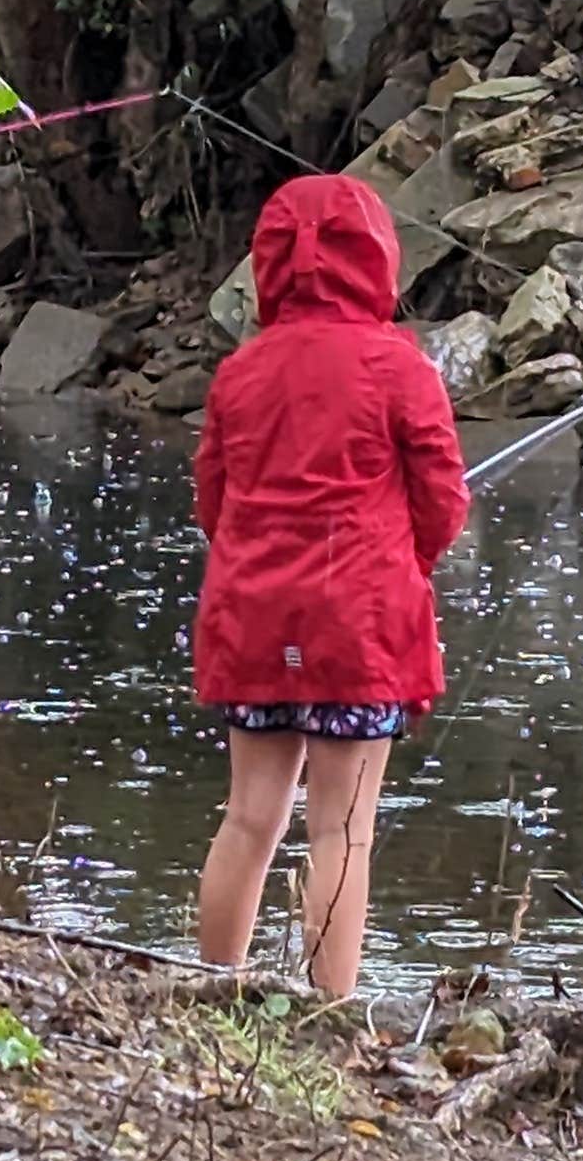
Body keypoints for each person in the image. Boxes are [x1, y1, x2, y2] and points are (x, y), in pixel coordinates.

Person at [187, 172, 469, 997]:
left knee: (249, 816)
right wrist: (401, 560)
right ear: (376, 258)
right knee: (341, 830)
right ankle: (330, 1013)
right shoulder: (398, 367)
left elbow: (214, 502)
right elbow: (444, 501)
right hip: (360, 627)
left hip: (256, 622)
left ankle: (210, 992)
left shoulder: (239, 373)